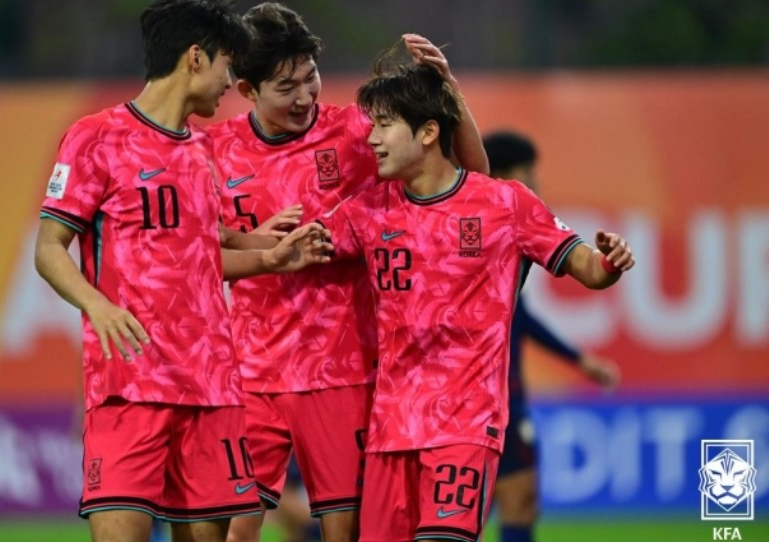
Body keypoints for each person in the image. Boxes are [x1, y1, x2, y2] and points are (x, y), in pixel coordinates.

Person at [33, 2, 330, 541]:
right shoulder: (95, 137)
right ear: (196, 58)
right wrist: (98, 305)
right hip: (130, 388)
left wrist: (269, 256)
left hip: (212, 391)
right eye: (227, 66)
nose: (230, 83)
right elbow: (49, 248)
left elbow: (201, 258)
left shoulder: (202, 150)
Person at [316, 56, 635, 542]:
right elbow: (293, 251)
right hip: (389, 431)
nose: (372, 139)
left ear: (428, 132)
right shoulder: (368, 210)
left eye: (383, 125)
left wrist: (609, 262)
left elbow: (589, 269)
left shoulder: (505, 203)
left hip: (465, 425)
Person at [208, 4, 489, 542]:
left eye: (310, 76)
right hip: (251, 373)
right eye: (286, 87)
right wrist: (251, 240)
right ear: (246, 90)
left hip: (344, 370)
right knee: (231, 532)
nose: (304, 96)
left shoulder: (358, 131)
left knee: (348, 532)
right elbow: (193, 252)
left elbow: (471, 179)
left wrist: (450, 91)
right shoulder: (215, 153)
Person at [483, 131, 621, 542]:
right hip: (486, 396)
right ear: (505, 175)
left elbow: (521, 317)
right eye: (528, 170)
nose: (536, 180)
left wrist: (579, 359)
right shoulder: (489, 227)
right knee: (494, 504)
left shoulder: (505, 226)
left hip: (499, 396)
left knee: (515, 501)